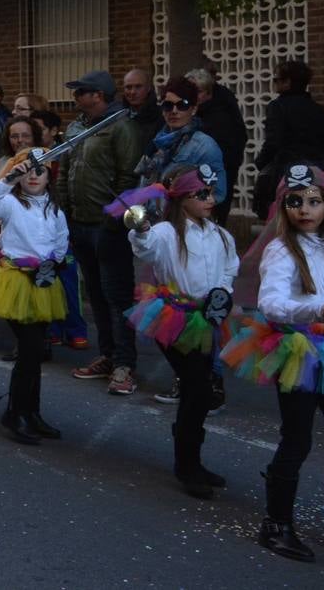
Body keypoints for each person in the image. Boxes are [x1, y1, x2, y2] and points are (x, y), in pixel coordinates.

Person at [220, 163, 324, 562]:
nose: (305, 209)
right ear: (283, 205)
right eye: (296, 201)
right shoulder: (280, 248)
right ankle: (276, 524)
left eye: (314, 201)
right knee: (298, 437)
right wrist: (316, 309)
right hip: (299, 351)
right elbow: (271, 303)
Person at [123, 164, 237, 498]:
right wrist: (140, 229)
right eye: (201, 194)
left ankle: (191, 455)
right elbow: (144, 247)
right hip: (174, 316)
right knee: (197, 387)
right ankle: (187, 463)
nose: (209, 199)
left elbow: (230, 267)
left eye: (211, 193)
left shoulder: (219, 234)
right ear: (183, 197)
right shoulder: (166, 233)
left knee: (199, 388)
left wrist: (223, 293)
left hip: (208, 317)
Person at [58, 71, 148, 396]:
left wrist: (113, 219)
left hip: (106, 226)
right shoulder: (77, 126)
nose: (76, 97)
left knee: (117, 296)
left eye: (80, 92)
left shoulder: (122, 126)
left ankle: (125, 363)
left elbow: (129, 176)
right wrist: (65, 213)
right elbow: (66, 170)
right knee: (95, 295)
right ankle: (108, 355)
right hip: (80, 223)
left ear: (98, 95)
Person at [0, 148, 69, 443]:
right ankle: (15, 413)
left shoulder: (55, 209)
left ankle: (33, 412)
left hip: (43, 282)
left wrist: (54, 259)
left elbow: (62, 240)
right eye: (27, 170)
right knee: (29, 349)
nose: (33, 176)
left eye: (39, 170)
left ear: (49, 175)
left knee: (36, 351)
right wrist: (9, 176)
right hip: (15, 281)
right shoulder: (10, 203)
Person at [253, 60, 324, 217]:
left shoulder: (277, 107)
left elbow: (273, 142)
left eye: (276, 79)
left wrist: (261, 162)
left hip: (288, 172)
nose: (274, 83)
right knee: (313, 219)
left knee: (287, 220)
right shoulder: (318, 110)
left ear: (288, 82)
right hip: (316, 172)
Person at [137, 75, 228, 205]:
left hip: (182, 222)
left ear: (194, 109)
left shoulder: (205, 146)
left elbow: (216, 194)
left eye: (182, 105)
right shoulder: (156, 143)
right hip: (151, 221)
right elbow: (142, 187)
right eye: (168, 105)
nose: (174, 111)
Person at [185, 68, 246, 228]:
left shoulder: (219, 115)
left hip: (215, 176)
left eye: (197, 91)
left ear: (208, 92)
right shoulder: (191, 113)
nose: (192, 96)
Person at [122, 68, 163, 139]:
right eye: (128, 87)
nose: (133, 92)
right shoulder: (119, 116)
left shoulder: (161, 116)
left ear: (148, 88)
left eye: (138, 87)